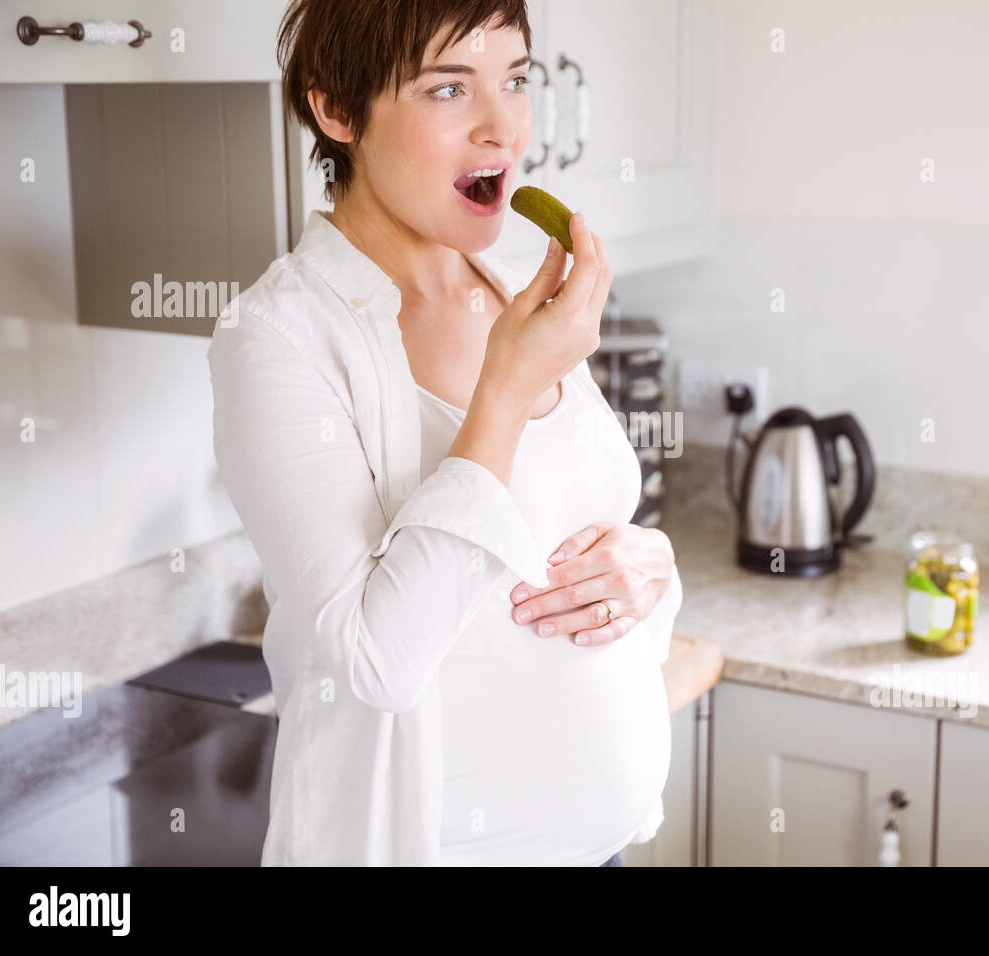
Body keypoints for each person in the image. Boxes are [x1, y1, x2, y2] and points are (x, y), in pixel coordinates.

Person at [207, 0, 683, 865]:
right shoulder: (276, 338)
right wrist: (503, 389)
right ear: (337, 112)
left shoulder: (513, 289)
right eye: (449, 88)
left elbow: (561, 543)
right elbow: (377, 658)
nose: (502, 127)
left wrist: (650, 568)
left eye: (516, 78)